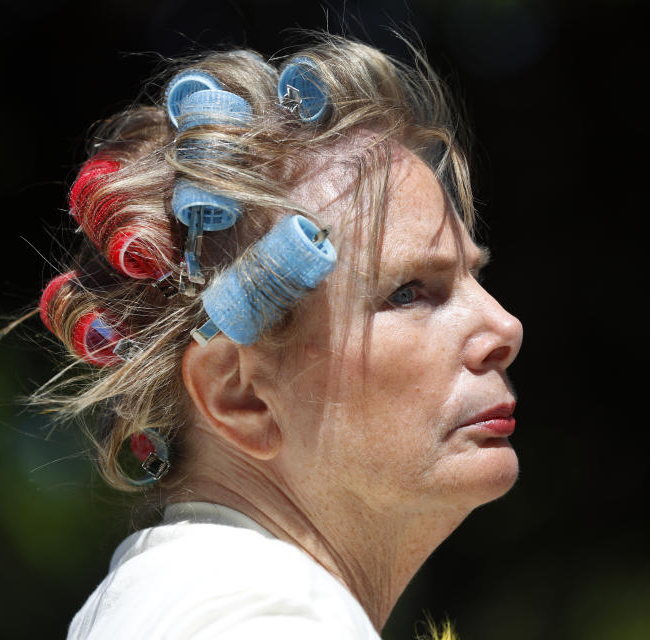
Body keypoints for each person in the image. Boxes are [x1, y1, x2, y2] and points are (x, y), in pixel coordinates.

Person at [34, 34, 522, 639]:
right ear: (240, 395)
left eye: (475, 276)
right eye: (409, 291)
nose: (505, 327)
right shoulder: (263, 616)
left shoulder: (177, 597)